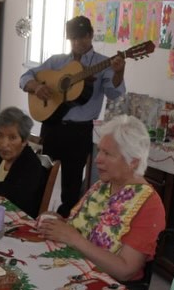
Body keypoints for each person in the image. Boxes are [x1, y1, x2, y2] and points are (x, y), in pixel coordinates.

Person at [20, 15, 127, 217]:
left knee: (72, 184)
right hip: (52, 126)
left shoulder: (103, 64)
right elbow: (26, 77)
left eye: (82, 37)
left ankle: (65, 222)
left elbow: (116, 94)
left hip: (79, 131)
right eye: (73, 38)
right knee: (41, 175)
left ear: (91, 35)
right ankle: (32, 216)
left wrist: (119, 73)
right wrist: (36, 87)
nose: (78, 42)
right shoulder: (57, 61)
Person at [39, 115, 164, 282]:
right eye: (99, 150)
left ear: (133, 162)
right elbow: (84, 227)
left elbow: (125, 270)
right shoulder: (103, 185)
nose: (98, 159)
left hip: (105, 284)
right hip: (72, 265)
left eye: (107, 154)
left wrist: (73, 239)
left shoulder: (149, 204)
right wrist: (58, 223)